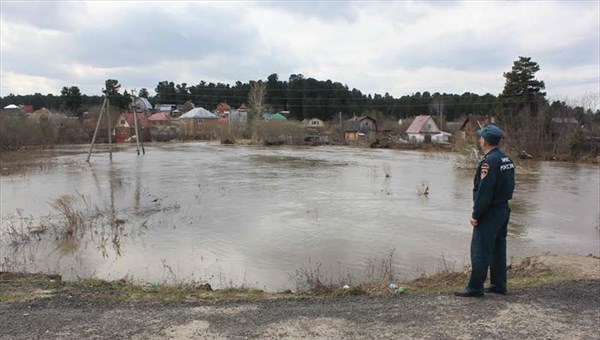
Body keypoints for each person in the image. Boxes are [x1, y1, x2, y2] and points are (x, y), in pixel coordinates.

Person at [455, 124, 515, 297]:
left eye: (481, 137)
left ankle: (475, 287)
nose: (480, 139)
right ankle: (498, 284)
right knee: (498, 248)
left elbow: (484, 192)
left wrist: (476, 214)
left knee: (480, 249)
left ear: (485, 141)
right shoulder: (506, 159)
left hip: (490, 211)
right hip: (503, 209)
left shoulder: (489, 162)